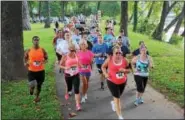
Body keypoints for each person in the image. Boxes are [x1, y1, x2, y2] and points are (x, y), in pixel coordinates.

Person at [102, 45, 130, 119]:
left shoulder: (125, 60)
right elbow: (103, 67)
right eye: (116, 53)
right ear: (113, 53)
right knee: (117, 99)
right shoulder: (109, 59)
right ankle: (120, 116)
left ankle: (113, 102)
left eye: (119, 53)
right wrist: (105, 74)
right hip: (112, 82)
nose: (118, 54)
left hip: (123, 82)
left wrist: (125, 71)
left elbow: (129, 70)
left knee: (118, 96)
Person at [24, 36, 48, 103]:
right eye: (35, 40)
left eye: (37, 40)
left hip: (41, 71)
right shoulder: (29, 50)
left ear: (39, 41)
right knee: (32, 84)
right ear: (32, 41)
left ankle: (37, 97)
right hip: (31, 71)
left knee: (39, 85)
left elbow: (46, 57)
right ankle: (31, 89)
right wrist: (26, 63)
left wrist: (45, 61)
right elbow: (25, 58)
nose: (36, 41)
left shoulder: (42, 50)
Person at [60, 43, 82, 111]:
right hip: (68, 75)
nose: (72, 52)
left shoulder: (76, 55)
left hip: (76, 74)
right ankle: (67, 92)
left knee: (76, 90)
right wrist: (66, 67)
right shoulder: (65, 56)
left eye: (73, 50)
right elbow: (60, 65)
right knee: (69, 87)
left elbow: (79, 64)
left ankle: (78, 105)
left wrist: (80, 66)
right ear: (68, 50)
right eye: (71, 50)